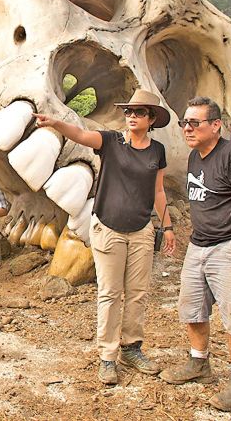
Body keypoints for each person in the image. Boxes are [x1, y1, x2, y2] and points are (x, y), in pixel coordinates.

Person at [34, 89, 175, 385]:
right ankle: (108, 357)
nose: (132, 117)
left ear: (151, 119)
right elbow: (81, 135)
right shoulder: (111, 141)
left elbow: (159, 191)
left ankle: (132, 348)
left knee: (137, 292)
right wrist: (56, 123)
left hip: (141, 231)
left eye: (139, 112)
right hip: (109, 228)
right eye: (129, 112)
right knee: (110, 293)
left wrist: (169, 227)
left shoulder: (156, 151)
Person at [160, 96, 231, 412]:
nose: (187, 128)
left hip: (230, 247)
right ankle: (199, 363)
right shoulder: (196, 156)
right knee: (192, 309)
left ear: (216, 125)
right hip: (199, 245)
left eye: (195, 123)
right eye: (184, 123)